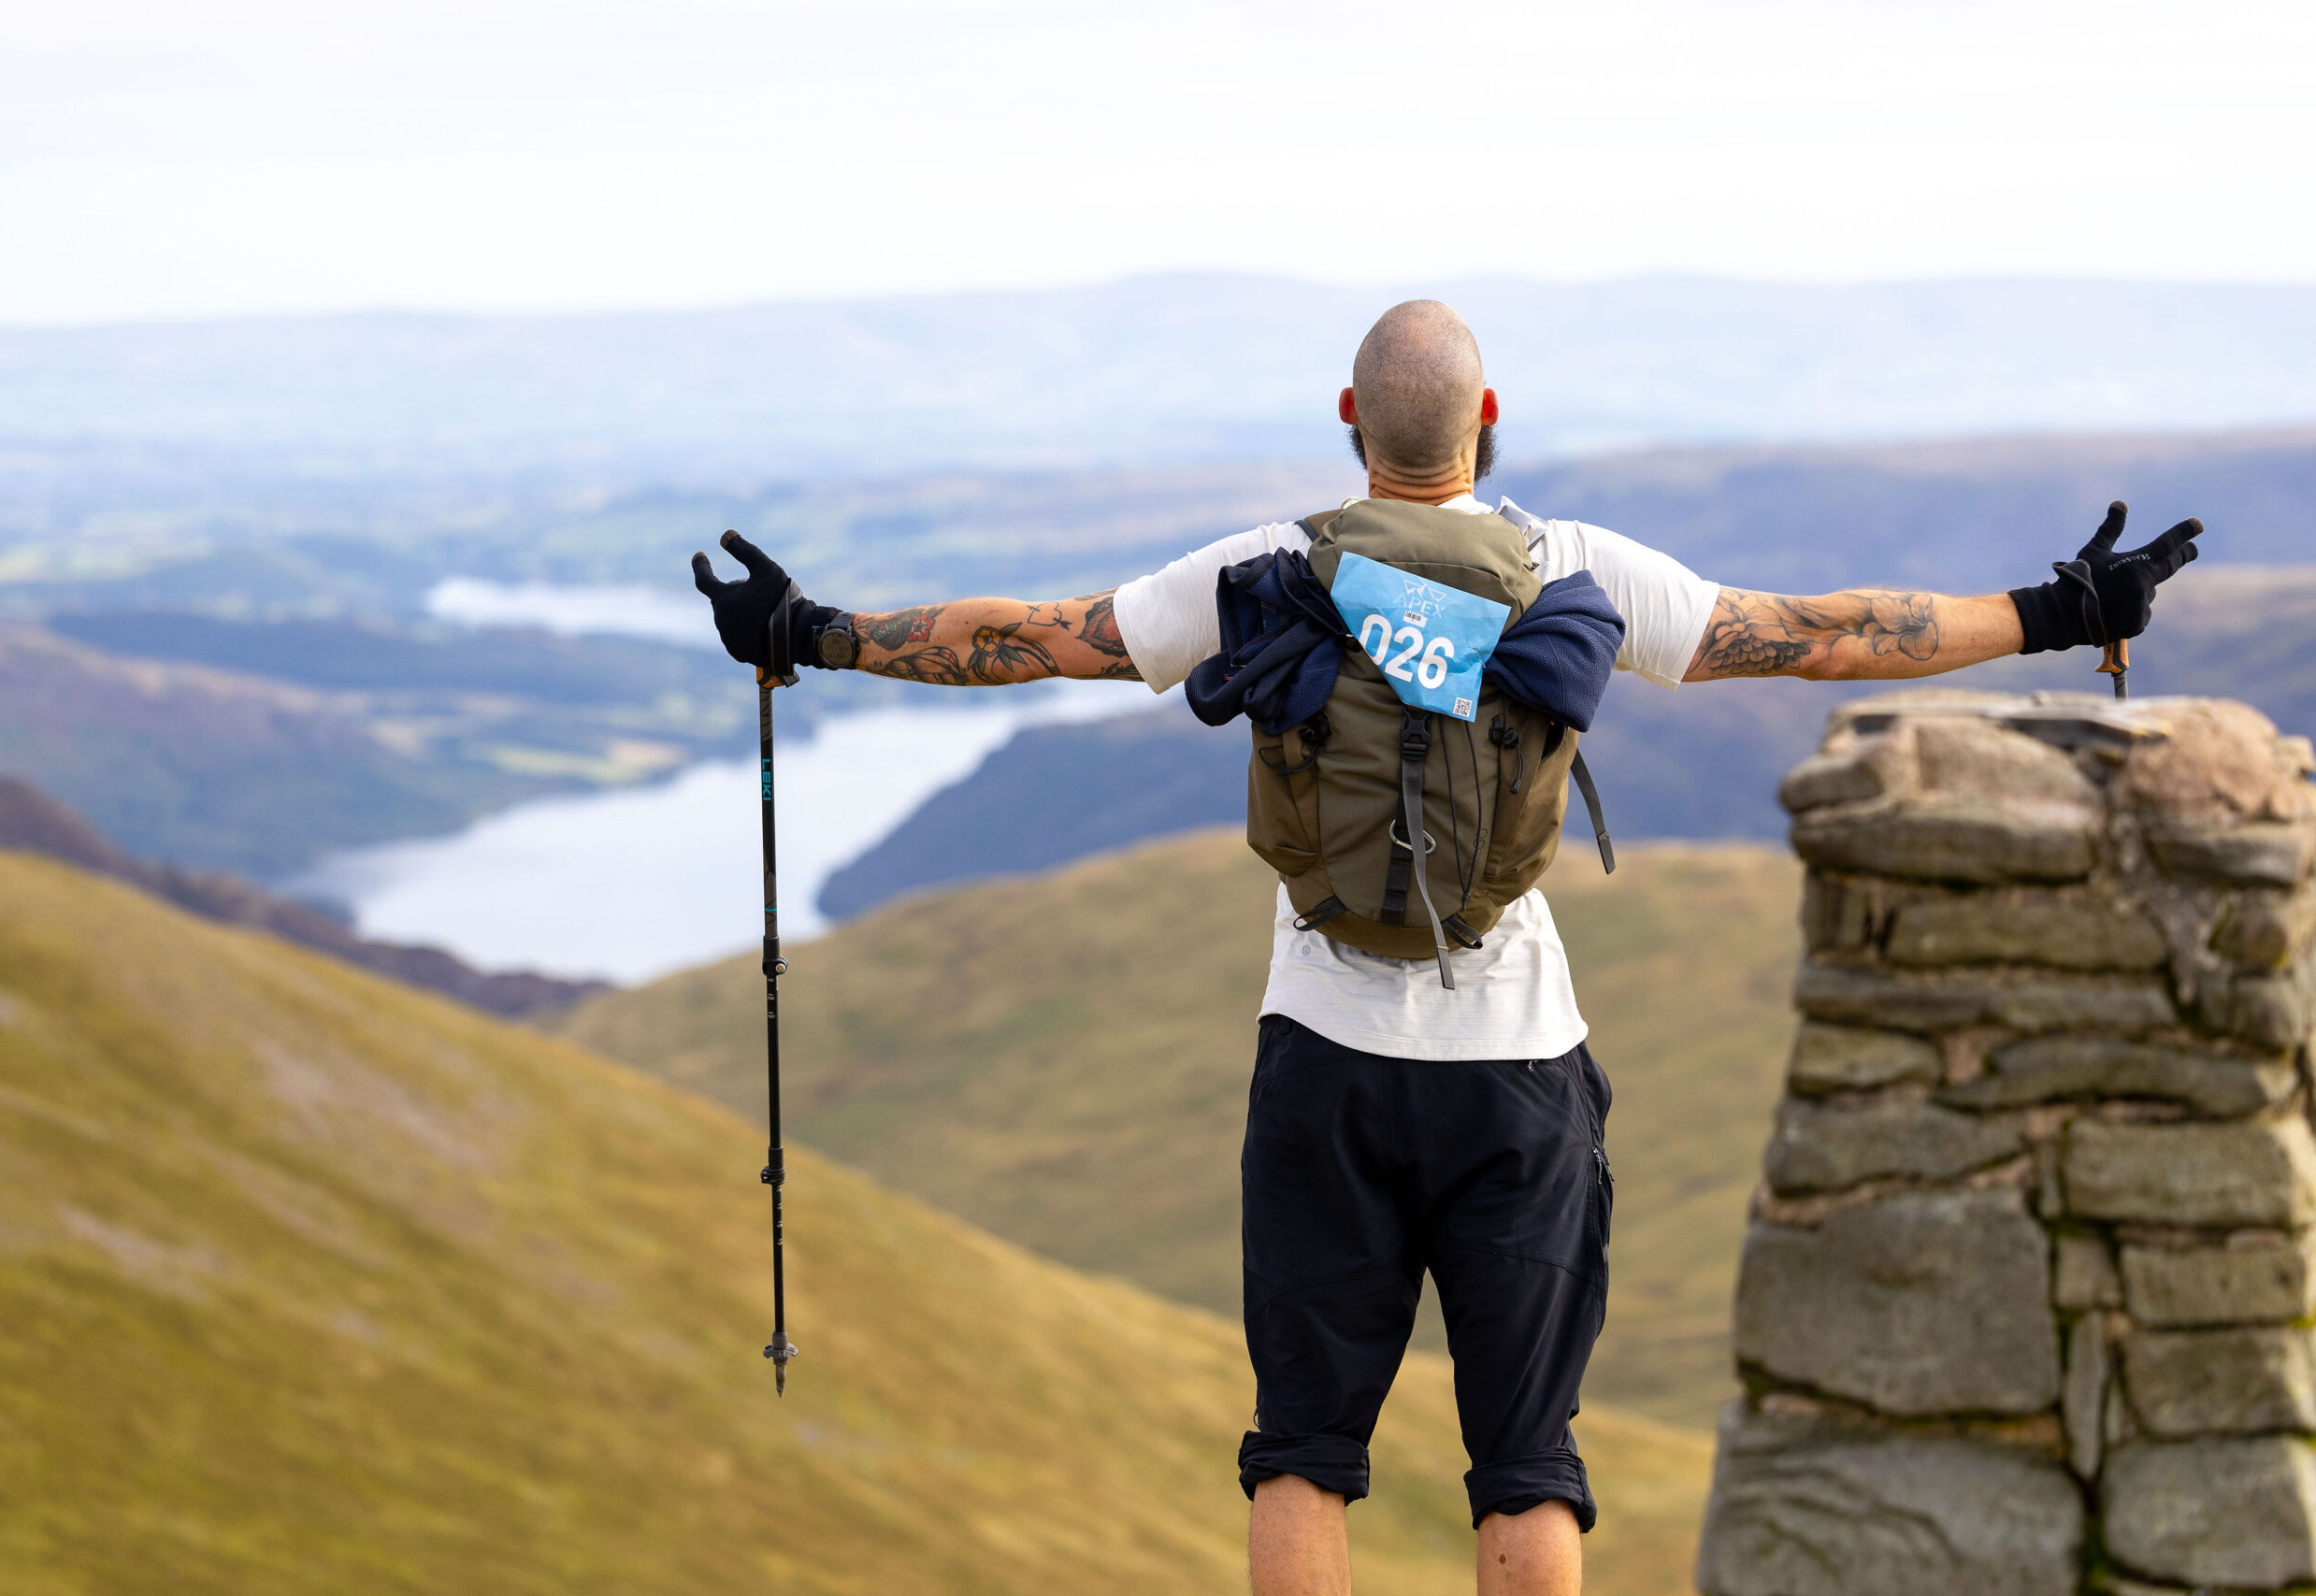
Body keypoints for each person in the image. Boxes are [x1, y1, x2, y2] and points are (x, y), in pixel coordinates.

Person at [692, 300, 2203, 1596]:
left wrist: (811, 632)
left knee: (1302, 1460)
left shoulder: (1265, 566)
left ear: (1350, 418)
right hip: (1518, 1074)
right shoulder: (1575, 568)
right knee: (1528, 1470)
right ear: (1488, 415)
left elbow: (1028, 634)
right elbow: (1816, 632)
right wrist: (2058, 607)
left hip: (1323, 1062)